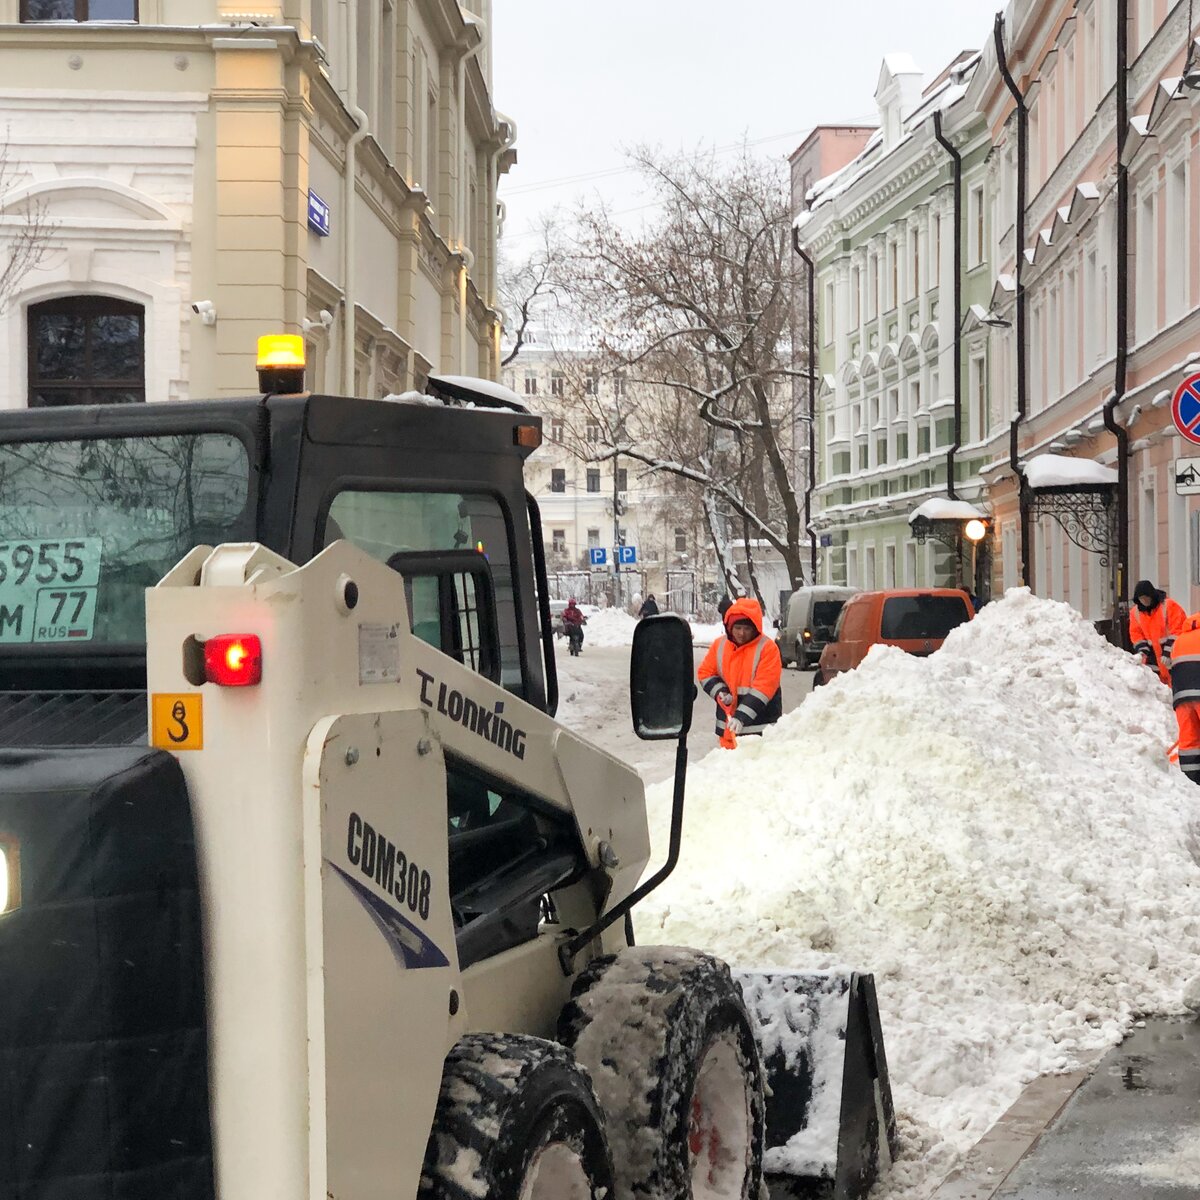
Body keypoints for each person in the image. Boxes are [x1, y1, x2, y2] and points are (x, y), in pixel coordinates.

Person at [697, 597, 783, 742]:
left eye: (747, 628)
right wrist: (721, 692)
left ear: (755, 628)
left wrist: (741, 716)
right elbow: (705, 673)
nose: (741, 633)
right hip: (728, 730)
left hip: (761, 731)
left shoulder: (767, 648)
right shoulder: (720, 645)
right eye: (738, 628)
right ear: (730, 627)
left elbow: (764, 687)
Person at [1129, 580, 1186, 686]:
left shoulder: (1169, 606)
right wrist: (1142, 651)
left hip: (1173, 658)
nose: (1144, 601)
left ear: (1151, 595)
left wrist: (1168, 651)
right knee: (1158, 692)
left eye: (1146, 597)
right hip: (1152, 661)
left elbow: (1178, 629)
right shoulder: (1135, 613)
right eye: (1141, 599)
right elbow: (1136, 635)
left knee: (1176, 689)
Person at [1168, 613, 1200, 786]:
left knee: (1189, 740)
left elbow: (1171, 670)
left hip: (1181, 698)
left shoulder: (1179, 641)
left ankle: (1191, 784)